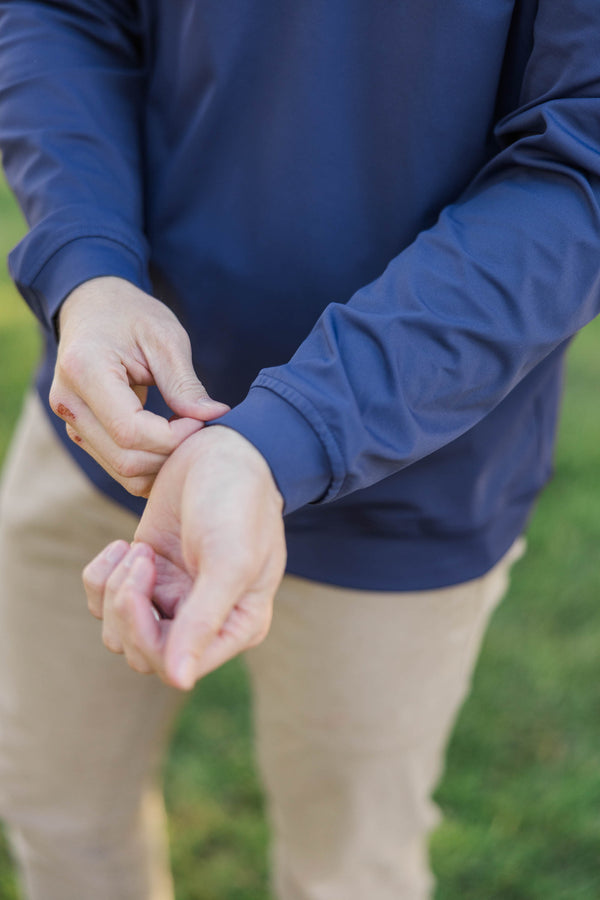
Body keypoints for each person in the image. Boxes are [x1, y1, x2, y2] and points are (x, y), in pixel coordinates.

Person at [0, 1, 598, 897]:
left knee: (347, 875)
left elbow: (577, 169)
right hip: (108, 414)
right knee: (56, 815)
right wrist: (88, 266)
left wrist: (288, 436)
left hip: (404, 478)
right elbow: (61, 10)